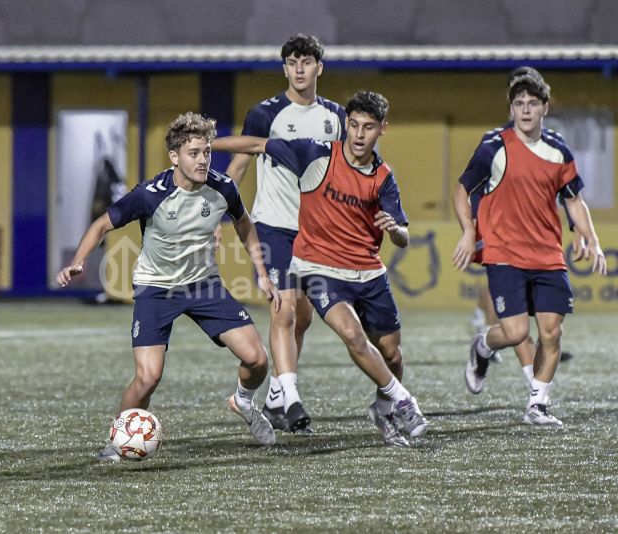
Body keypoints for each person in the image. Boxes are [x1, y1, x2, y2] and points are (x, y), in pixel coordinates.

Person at [56, 112, 282, 461]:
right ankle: (117, 443)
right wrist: (78, 261)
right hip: (156, 289)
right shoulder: (150, 194)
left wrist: (262, 274)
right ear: (175, 156)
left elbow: (244, 225)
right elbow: (102, 224)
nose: (203, 159)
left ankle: (243, 401)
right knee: (148, 379)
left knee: (257, 360)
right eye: (194, 153)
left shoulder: (222, 187)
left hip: (204, 285)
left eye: (207, 151)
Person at [214, 91, 428, 447]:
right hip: (321, 269)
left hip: (368, 272)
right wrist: (209, 142)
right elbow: (256, 144)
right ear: (346, 124)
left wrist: (396, 231)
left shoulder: (383, 177)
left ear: (382, 130)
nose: (359, 134)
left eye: (369, 127)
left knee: (391, 353)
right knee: (351, 334)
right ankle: (404, 401)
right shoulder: (315, 152)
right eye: (354, 125)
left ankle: (384, 406)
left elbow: (404, 236)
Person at [453, 67, 607, 427]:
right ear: (511, 109)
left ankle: (537, 405)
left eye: (532, 103)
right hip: (504, 252)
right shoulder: (493, 146)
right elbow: (462, 189)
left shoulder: (559, 151)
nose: (525, 109)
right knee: (517, 333)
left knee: (553, 331)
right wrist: (466, 230)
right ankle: (483, 346)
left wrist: (592, 239)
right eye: (519, 103)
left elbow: (573, 200)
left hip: (547, 254)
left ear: (545, 108)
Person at [223, 34, 346, 434]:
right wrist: (210, 215)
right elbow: (238, 168)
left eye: (306, 61)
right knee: (285, 309)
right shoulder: (265, 113)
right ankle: (292, 399)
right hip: (273, 227)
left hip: (317, 231)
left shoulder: (336, 117)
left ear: (319, 68)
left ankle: (277, 392)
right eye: (292, 61)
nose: (299, 67)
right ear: (284, 68)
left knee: (304, 316)